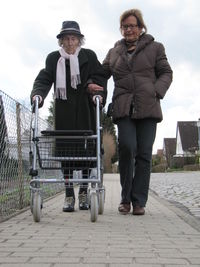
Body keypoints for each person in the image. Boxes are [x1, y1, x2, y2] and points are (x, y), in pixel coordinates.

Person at [90, 8, 172, 215]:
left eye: (132, 26)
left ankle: (138, 201)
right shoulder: (114, 51)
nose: (129, 30)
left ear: (141, 27)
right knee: (127, 147)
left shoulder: (156, 48)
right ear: (121, 29)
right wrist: (92, 83)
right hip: (123, 106)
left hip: (148, 106)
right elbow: (102, 72)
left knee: (144, 153)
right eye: (125, 26)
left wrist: (156, 92)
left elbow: (166, 73)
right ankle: (125, 197)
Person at [30, 21, 107, 212]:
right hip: (64, 112)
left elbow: (99, 76)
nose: (70, 43)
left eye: (73, 38)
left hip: (85, 110)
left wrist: (95, 90)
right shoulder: (53, 58)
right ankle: (68, 195)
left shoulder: (89, 56)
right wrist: (38, 94)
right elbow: (45, 77)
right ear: (61, 41)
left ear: (79, 40)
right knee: (66, 156)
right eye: (66, 39)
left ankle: (83, 191)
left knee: (88, 154)